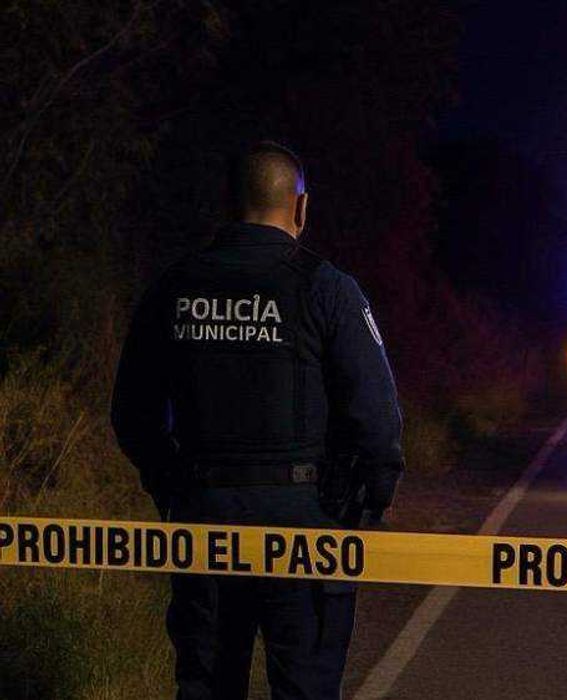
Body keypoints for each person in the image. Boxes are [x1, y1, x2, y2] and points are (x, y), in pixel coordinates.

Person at [111, 141, 404, 699]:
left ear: (229, 204)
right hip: (305, 524)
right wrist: (361, 509)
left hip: (204, 520)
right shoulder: (327, 288)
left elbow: (132, 412)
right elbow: (377, 419)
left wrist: (171, 487)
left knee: (206, 686)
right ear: (300, 209)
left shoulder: (174, 287)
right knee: (306, 688)